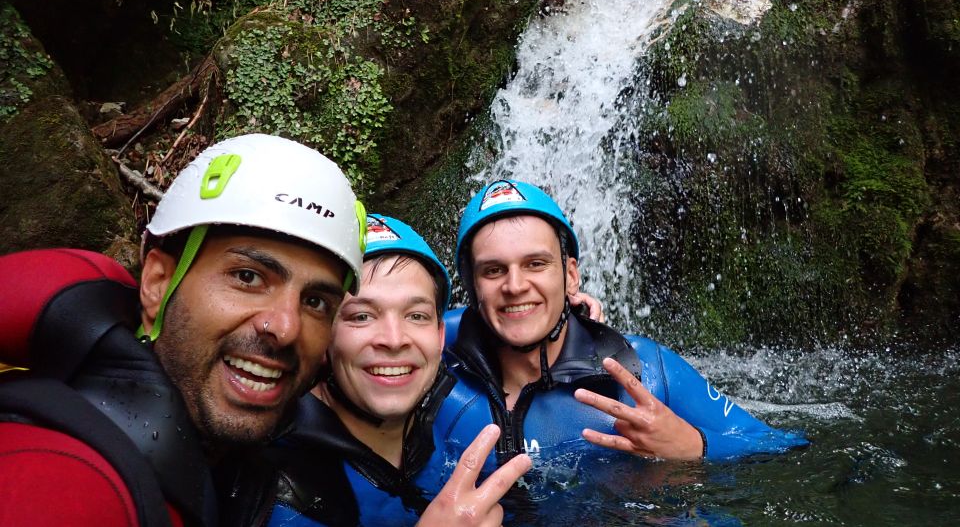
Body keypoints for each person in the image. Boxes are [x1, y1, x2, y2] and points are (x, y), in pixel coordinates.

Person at [0, 133, 369, 526]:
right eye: (248, 277)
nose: (285, 327)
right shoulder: (58, 476)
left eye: (315, 302)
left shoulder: (284, 456)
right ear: (158, 284)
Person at [438, 179, 808, 479]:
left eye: (535, 264)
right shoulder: (431, 381)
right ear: (472, 288)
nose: (515, 285)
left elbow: (781, 445)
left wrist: (694, 445)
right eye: (493, 270)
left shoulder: (646, 369)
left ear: (570, 277)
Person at [217, 214, 533, 526]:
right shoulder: (277, 488)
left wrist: (576, 321)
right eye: (362, 317)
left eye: (416, 316)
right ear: (323, 338)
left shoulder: (464, 406)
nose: (394, 340)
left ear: (439, 336)